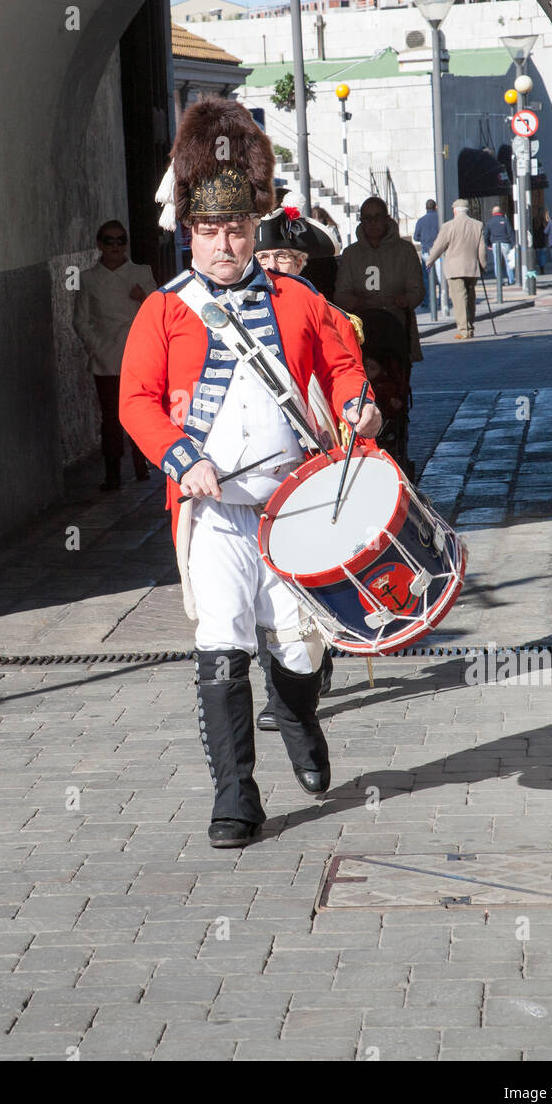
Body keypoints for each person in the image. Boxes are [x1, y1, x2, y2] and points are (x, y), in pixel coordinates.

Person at [120, 97, 380, 849]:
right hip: (215, 515)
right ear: (190, 234)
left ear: (252, 228)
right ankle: (235, 797)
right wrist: (182, 458)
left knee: (298, 653)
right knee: (221, 643)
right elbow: (136, 401)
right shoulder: (163, 312)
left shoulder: (299, 298)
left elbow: (343, 368)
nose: (224, 242)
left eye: (235, 229)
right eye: (209, 230)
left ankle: (299, 713)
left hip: (295, 506)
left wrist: (358, 407)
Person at [251, 206, 363, 732]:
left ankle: (309, 670)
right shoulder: (236, 312)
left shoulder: (325, 312)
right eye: (265, 256)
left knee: (306, 569)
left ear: (301, 262)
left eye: (284, 257)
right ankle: (282, 683)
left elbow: (346, 377)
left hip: (316, 453)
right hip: (255, 469)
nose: (273, 265)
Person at [75, 221, 155, 490]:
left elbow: (157, 312)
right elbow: (81, 320)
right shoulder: (88, 279)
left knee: (141, 410)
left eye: (120, 241)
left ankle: (141, 461)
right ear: (99, 245)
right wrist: (97, 347)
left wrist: (143, 298)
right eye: (109, 241)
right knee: (110, 417)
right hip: (105, 356)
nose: (115, 246)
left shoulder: (141, 273)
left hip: (137, 354)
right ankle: (112, 473)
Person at [333, 196, 425, 368]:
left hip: (398, 327)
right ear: (361, 221)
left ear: (386, 219)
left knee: (397, 379)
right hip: (363, 330)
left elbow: (417, 288)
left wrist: (406, 300)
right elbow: (341, 293)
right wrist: (353, 302)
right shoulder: (351, 254)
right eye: (367, 218)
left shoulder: (405, 251)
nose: (373, 223)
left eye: (378, 217)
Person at [426, 199, 488, 340]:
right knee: (470, 298)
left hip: (454, 268)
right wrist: (483, 265)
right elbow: (482, 249)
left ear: (454, 210)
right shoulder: (477, 225)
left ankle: (464, 329)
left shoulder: (449, 226)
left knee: (459, 299)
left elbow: (439, 246)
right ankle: (470, 326)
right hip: (472, 267)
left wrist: (429, 261)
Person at [413, 198, 441, 309]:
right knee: (440, 276)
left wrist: (424, 239)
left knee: (426, 277)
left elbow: (416, 237)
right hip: (439, 251)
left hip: (426, 251)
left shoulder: (421, 221)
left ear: (426, 208)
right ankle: (443, 299)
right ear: (435, 207)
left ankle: (426, 300)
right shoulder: (440, 219)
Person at [484, 206, 516, 282]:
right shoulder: (505, 220)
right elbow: (510, 233)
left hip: (495, 244)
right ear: (500, 212)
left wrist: (488, 245)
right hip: (505, 243)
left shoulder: (489, 222)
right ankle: (511, 280)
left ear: (493, 212)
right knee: (508, 262)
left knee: (497, 263)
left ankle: (499, 281)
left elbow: (486, 235)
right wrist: (513, 243)